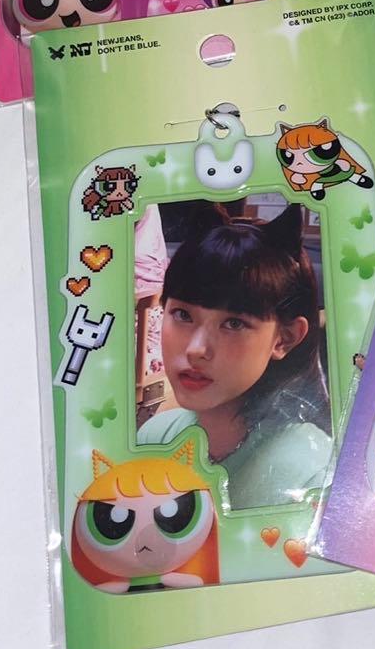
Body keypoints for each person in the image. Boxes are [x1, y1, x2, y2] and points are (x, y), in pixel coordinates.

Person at [136, 205, 332, 509]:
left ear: (285, 338)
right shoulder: (156, 437)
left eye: (234, 324)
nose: (196, 349)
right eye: (183, 315)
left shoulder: (314, 474)